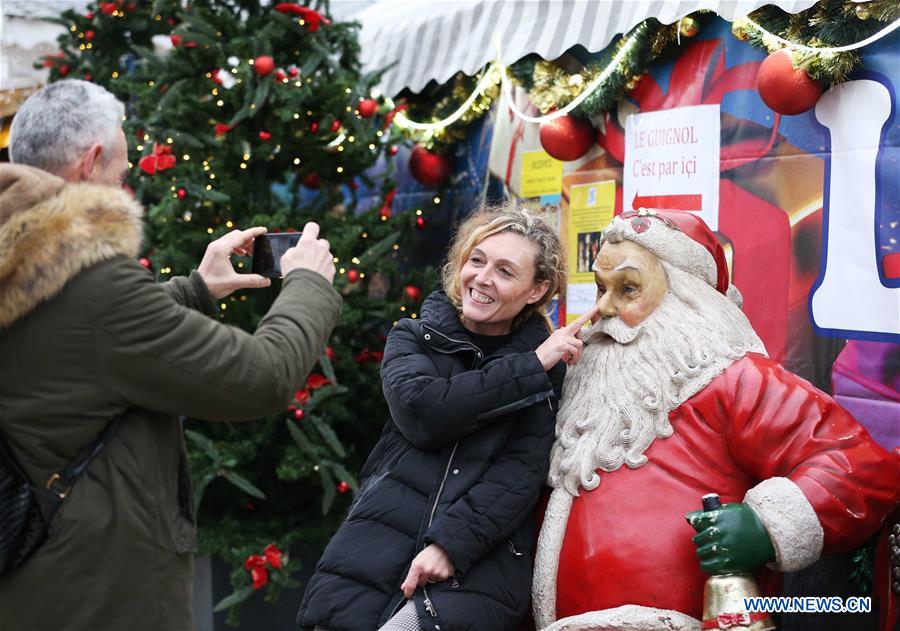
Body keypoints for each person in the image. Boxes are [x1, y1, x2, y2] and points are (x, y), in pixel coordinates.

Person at [0, 79, 342, 631]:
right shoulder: (94, 286)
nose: (127, 185)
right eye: (124, 170)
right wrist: (308, 285)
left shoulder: (22, 260)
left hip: (32, 581)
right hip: (101, 593)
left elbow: (72, 338)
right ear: (91, 162)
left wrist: (196, 289)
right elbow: (262, 377)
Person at [532, 208, 900, 630]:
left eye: (628, 288)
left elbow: (858, 466)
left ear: (686, 300)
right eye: (601, 287)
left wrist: (765, 525)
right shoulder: (583, 378)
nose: (604, 308)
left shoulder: (738, 381)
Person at [298, 204, 596, 631]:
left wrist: (450, 546)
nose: (482, 278)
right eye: (477, 260)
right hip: (376, 541)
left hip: (479, 559)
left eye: (505, 271)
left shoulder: (551, 370)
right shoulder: (413, 337)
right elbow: (426, 412)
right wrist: (529, 367)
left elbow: (519, 474)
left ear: (536, 290)